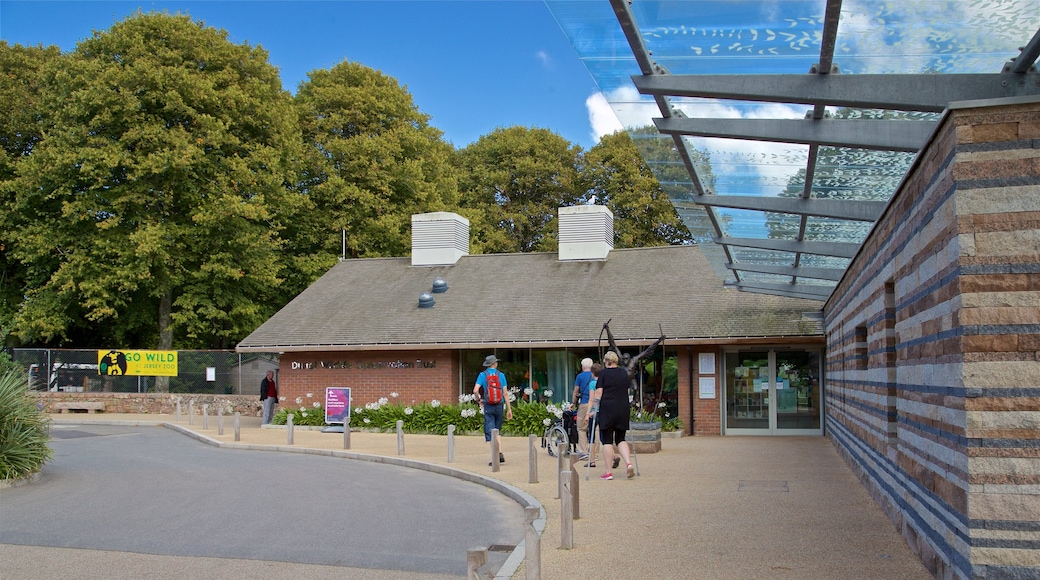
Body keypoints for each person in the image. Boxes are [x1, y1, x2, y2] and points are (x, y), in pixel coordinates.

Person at [590, 351, 635, 480]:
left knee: (608, 440)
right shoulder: (623, 373)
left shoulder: (603, 374)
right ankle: (628, 463)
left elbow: (598, 393)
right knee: (621, 438)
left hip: (608, 408)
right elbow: (626, 391)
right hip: (622, 408)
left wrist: (593, 409)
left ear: (606, 362)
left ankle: (608, 472)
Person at [473, 354, 513, 465]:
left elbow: (475, 390)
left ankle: (496, 455)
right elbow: (505, 393)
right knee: (497, 431)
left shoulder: (482, 375)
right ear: (494, 364)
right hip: (499, 405)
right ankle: (499, 452)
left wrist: (478, 400)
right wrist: (509, 409)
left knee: (490, 431)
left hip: (488, 406)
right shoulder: (501, 375)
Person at [571, 357, 594, 460]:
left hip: (584, 403)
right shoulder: (596, 376)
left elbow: (576, 391)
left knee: (581, 428)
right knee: (595, 428)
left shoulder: (580, 376)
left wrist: (573, 403)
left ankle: (583, 452)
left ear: (583, 366)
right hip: (596, 404)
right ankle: (595, 454)